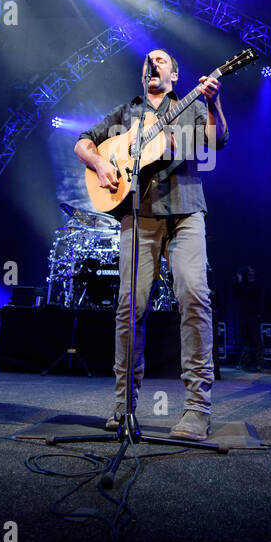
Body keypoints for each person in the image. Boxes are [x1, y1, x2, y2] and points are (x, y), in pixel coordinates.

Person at [75, 48, 229, 441]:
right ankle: (123, 406)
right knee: (131, 306)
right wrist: (101, 164)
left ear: (174, 75)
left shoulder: (191, 104)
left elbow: (216, 139)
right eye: (149, 61)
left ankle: (197, 409)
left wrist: (214, 103)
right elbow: (83, 143)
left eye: (161, 60)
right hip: (137, 213)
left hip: (186, 211)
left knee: (194, 296)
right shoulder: (127, 113)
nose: (153, 63)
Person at [233, 265, 264, 371]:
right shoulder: (244, 283)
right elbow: (237, 295)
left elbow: (256, 297)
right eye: (249, 269)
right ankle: (245, 363)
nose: (250, 271)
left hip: (254, 315)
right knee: (246, 340)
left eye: (252, 269)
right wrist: (239, 282)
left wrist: (259, 313)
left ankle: (259, 363)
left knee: (256, 339)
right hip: (244, 314)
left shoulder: (257, 284)